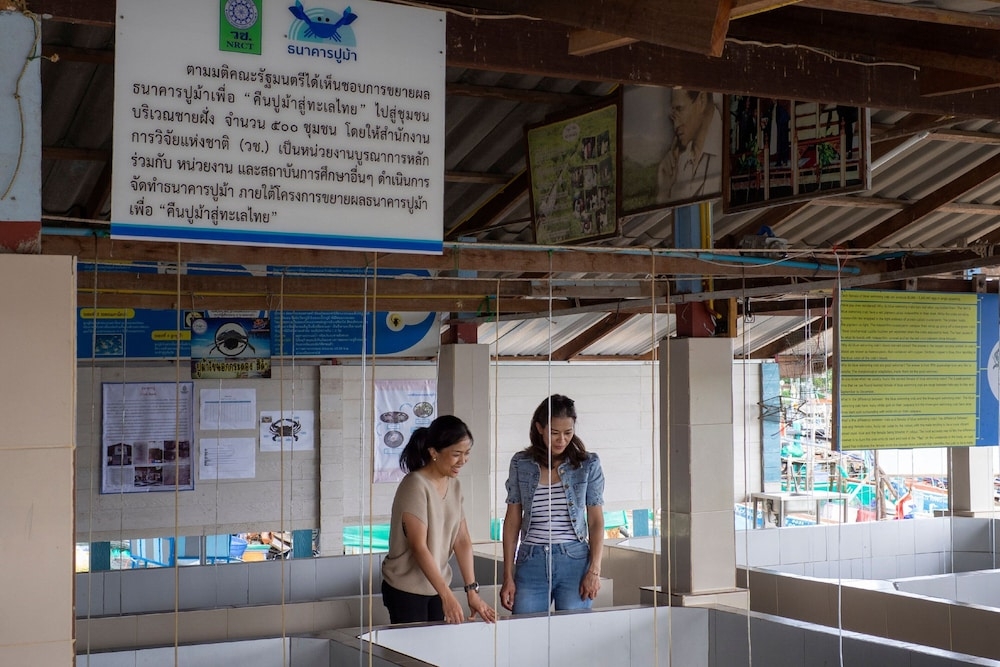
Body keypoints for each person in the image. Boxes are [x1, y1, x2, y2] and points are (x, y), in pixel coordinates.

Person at [381, 415, 496, 625]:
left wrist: (472, 591)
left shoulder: (454, 484)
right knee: (412, 655)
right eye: (456, 454)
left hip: (437, 587)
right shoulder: (415, 485)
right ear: (434, 452)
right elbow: (419, 546)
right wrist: (447, 595)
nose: (462, 461)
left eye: (466, 454)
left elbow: (462, 540)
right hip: (406, 589)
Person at [501, 394, 605, 614]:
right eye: (554, 433)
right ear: (540, 428)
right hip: (531, 559)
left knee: (575, 635)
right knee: (526, 634)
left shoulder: (588, 464)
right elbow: (512, 521)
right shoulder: (521, 463)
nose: (561, 440)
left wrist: (594, 570)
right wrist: (508, 576)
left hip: (575, 559)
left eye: (568, 433)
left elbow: (596, 521)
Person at [656, 89, 723, 203]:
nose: (675, 125)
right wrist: (664, 191)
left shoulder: (729, 145)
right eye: (673, 116)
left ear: (701, 100)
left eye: (680, 109)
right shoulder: (679, 161)